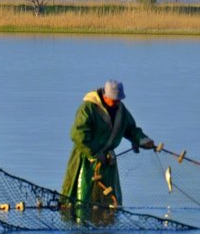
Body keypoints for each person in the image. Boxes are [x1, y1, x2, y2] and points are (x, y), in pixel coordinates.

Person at [61, 80, 153, 210]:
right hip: (86, 159)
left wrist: (143, 140)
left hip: (108, 161)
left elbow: (130, 129)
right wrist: (95, 153)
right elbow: (78, 134)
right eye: (114, 100)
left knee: (109, 201)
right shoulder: (88, 108)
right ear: (105, 96)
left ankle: (106, 223)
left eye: (119, 99)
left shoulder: (121, 110)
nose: (117, 102)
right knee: (80, 198)